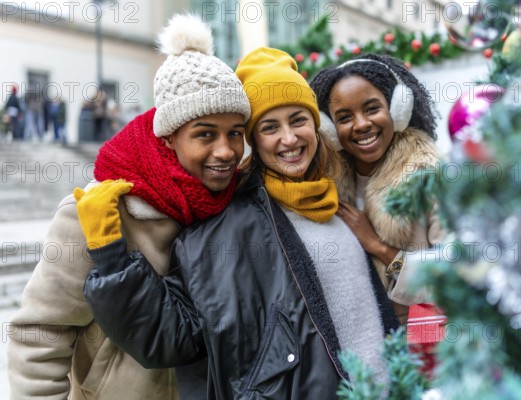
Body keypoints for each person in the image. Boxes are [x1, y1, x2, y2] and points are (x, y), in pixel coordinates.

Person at [79, 47, 399, 399]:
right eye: (269, 127)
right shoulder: (221, 231)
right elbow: (170, 337)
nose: (289, 138)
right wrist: (111, 257)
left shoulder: (340, 200)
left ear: (315, 125)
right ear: (253, 141)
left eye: (298, 119)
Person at [7, 14, 251, 400]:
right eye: (205, 134)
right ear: (169, 137)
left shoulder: (233, 205)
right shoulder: (97, 211)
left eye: (235, 133)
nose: (225, 151)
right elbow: (39, 335)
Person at [310, 54, 444, 322]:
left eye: (372, 109)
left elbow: (457, 277)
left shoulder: (429, 175)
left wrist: (378, 246)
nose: (361, 125)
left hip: (420, 340)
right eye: (345, 117)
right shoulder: (324, 183)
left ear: (397, 109)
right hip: (358, 343)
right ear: (330, 129)